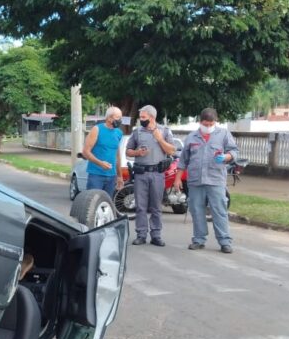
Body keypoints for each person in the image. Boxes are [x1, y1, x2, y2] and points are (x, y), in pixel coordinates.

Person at [174, 108, 240, 254]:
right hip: (196, 181)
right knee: (197, 211)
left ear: (215, 122)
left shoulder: (223, 134)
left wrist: (227, 157)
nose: (208, 126)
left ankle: (224, 241)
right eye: (206, 124)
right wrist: (177, 179)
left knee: (219, 211)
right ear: (200, 122)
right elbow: (183, 161)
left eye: (211, 124)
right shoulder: (191, 137)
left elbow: (234, 151)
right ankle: (199, 239)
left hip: (215, 180)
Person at [126, 105, 176, 246]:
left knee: (156, 206)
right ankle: (141, 234)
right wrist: (137, 153)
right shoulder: (137, 132)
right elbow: (128, 151)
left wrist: (160, 139)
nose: (141, 120)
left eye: (143, 117)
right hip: (141, 173)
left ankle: (156, 235)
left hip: (157, 174)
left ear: (152, 117)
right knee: (140, 206)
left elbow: (172, 150)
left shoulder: (165, 131)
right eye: (140, 117)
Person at [81, 106, 123, 197]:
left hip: (112, 176)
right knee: (93, 203)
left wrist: (120, 176)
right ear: (109, 118)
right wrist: (100, 163)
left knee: (106, 205)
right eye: (118, 117)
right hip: (96, 175)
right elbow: (86, 152)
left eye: (121, 117)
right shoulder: (97, 129)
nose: (120, 120)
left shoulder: (119, 133)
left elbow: (117, 156)